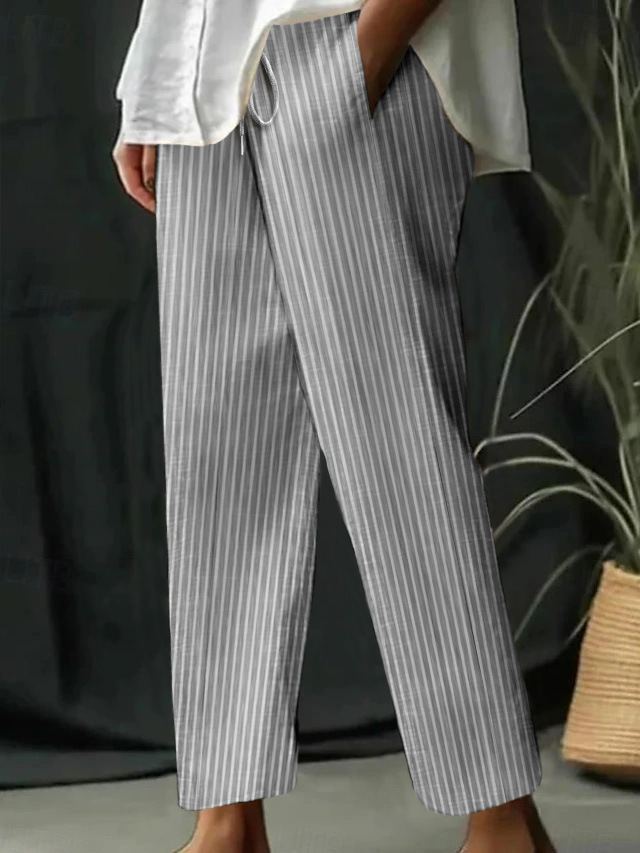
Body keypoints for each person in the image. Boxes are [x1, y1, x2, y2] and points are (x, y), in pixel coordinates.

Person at [112, 1, 558, 851]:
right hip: (204, 68)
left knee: (401, 445)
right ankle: (227, 817)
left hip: (352, 37)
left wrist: (371, 49)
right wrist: (153, 76)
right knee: (219, 454)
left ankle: (503, 818)